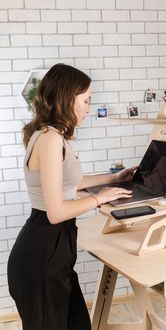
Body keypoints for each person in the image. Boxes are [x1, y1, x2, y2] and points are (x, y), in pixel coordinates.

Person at [7, 63, 136, 330]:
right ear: (68, 98)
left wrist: (113, 178)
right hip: (42, 254)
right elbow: (56, 212)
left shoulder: (48, 135)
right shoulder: (50, 139)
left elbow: (69, 184)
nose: (89, 107)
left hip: (53, 253)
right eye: (86, 100)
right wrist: (101, 199)